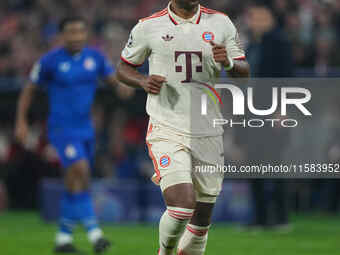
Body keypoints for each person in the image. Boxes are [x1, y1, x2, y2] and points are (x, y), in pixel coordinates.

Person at [116, 1, 250, 254]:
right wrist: (143, 80)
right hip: (167, 126)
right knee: (182, 205)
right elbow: (123, 68)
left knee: (201, 221)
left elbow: (244, 72)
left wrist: (230, 64)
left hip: (208, 130)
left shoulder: (221, 22)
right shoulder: (148, 26)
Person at [15, 17, 118, 254]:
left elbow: (114, 81)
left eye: (80, 32)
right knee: (80, 171)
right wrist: (21, 121)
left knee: (76, 181)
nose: (77, 37)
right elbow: (28, 90)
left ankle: (63, 238)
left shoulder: (96, 58)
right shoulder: (50, 61)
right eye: (71, 32)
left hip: (86, 130)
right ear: (62, 36)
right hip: (62, 129)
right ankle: (96, 235)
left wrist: (126, 86)